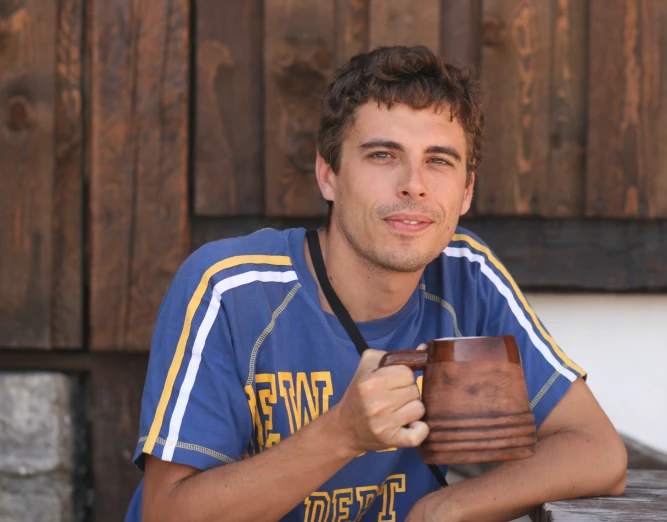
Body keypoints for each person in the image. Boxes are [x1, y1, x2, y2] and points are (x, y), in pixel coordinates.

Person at [125, 45, 626, 522]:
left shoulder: (465, 273)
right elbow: (166, 512)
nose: (413, 183)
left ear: (467, 190)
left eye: (439, 160)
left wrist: (444, 508)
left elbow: (597, 450)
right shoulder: (233, 288)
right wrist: (341, 434)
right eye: (383, 155)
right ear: (329, 176)